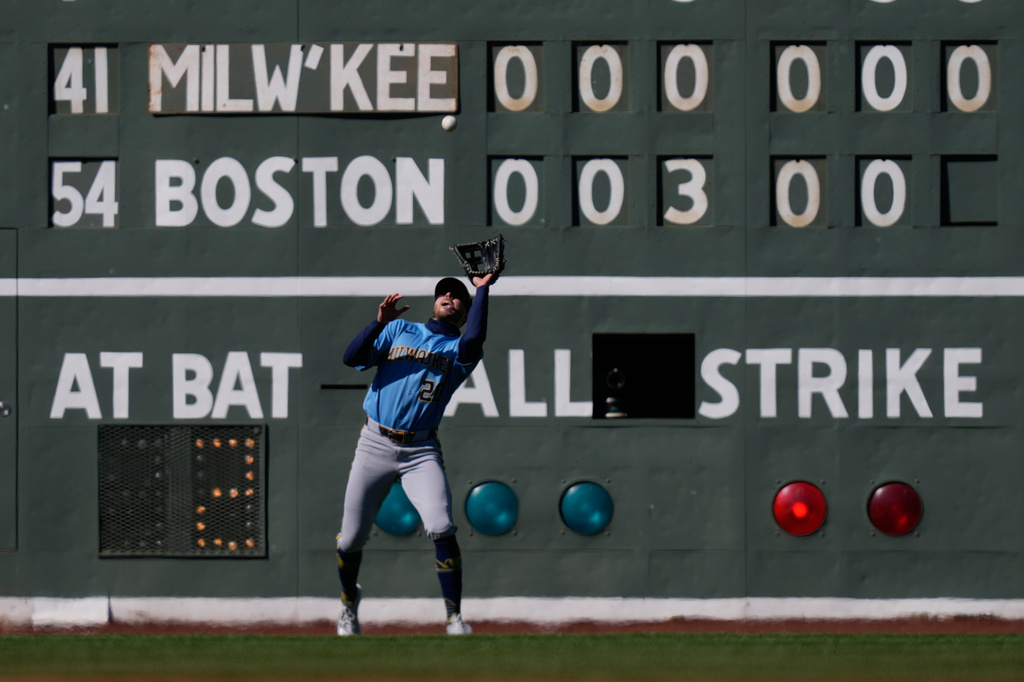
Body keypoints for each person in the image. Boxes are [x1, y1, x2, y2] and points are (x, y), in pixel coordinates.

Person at [334, 273, 496, 636]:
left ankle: (454, 618)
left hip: (420, 450)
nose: (449, 297)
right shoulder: (399, 330)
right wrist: (379, 323)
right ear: (435, 301)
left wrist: (483, 288)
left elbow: (475, 337)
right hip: (375, 442)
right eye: (444, 293)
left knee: (440, 526)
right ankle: (348, 605)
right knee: (350, 538)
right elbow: (351, 358)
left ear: (466, 311)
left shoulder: (461, 351)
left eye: (458, 297)